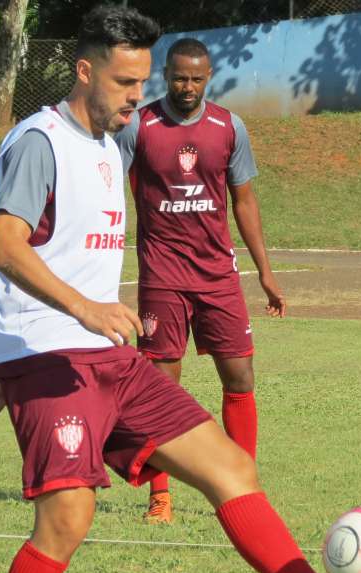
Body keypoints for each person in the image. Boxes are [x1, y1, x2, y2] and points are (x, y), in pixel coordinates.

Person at [0, 6, 361, 573]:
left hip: (106, 360)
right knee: (68, 518)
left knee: (232, 466)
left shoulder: (109, 144)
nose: (134, 95)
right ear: (83, 71)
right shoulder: (40, 142)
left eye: (140, 80)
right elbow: (5, 245)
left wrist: (28, 350)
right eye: (123, 80)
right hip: (60, 359)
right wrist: (37, 348)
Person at [115, 37, 285, 524]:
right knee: (161, 388)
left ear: (208, 77)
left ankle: (242, 486)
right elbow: (107, 187)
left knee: (240, 376)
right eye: (178, 78)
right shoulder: (140, 126)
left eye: (196, 78)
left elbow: (245, 203)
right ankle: (160, 496)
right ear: (165, 75)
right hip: (162, 278)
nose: (187, 87)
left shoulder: (228, 127)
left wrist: (265, 273)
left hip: (217, 276)